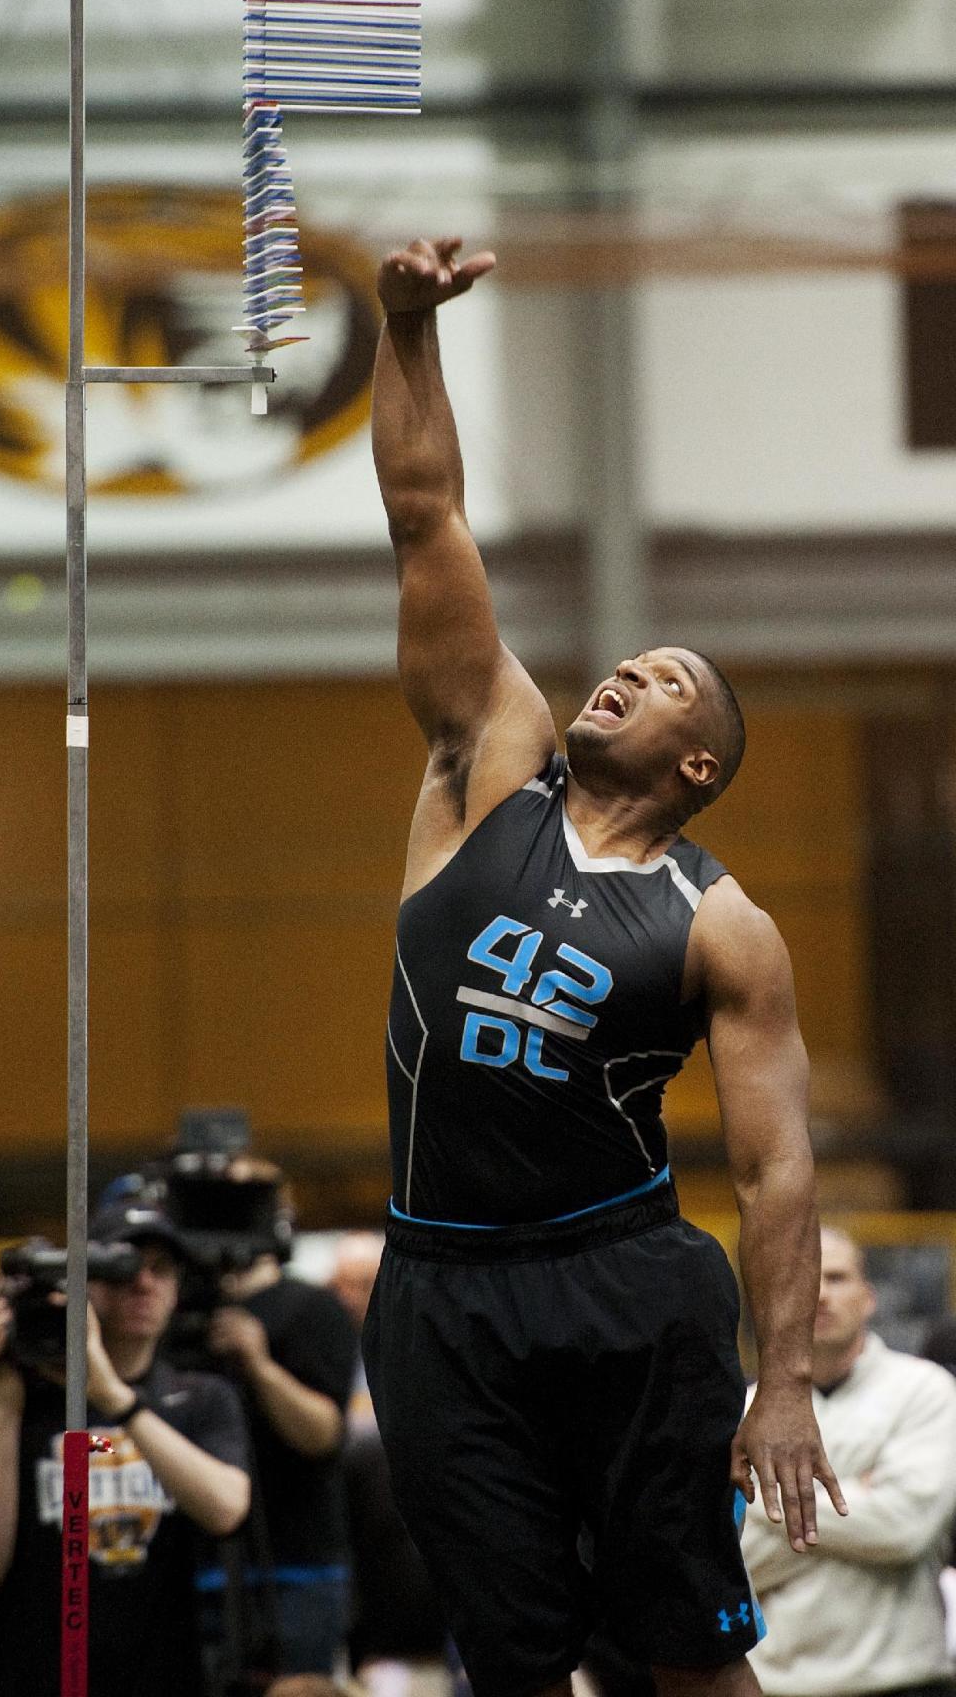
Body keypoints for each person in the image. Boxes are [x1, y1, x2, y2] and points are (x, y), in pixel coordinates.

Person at [359, 236, 847, 1697]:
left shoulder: (722, 925)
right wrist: (406, 331)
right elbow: (424, 513)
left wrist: (786, 1387)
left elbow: (776, 1171)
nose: (629, 664)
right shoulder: (481, 773)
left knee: (681, 1656)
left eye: (671, 677)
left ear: (699, 763)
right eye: (631, 652)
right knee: (515, 1663)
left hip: (625, 1290)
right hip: (439, 1288)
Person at [0, 1203, 250, 1697]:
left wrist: (113, 1397)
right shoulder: (19, 1396)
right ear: (81, 1288)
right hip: (33, 1672)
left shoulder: (200, 1398)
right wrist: (4, 1398)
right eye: (122, 1270)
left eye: (161, 1271)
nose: (143, 1285)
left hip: (163, 1670)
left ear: (178, 1289)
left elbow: (226, 1509)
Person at [741, 1227, 956, 1697]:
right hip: (774, 1686)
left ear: (869, 1297)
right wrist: (861, 1495)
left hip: (906, 1683)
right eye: (803, 1280)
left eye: (837, 1278)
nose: (819, 1295)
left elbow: (904, 1529)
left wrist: (768, 1503)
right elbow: (729, 1564)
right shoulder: (743, 1412)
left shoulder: (927, 1391)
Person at [205, 1188, 357, 1679]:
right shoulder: (175, 1306)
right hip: (195, 1565)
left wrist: (259, 1365)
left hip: (299, 1567)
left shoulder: (314, 1308)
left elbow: (323, 1434)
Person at [329, 1232, 450, 1696]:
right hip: (356, 1541)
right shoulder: (324, 1350)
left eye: (364, 1284)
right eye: (342, 1285)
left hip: (412, 1541)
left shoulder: (417, 1347)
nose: (351, 1298)